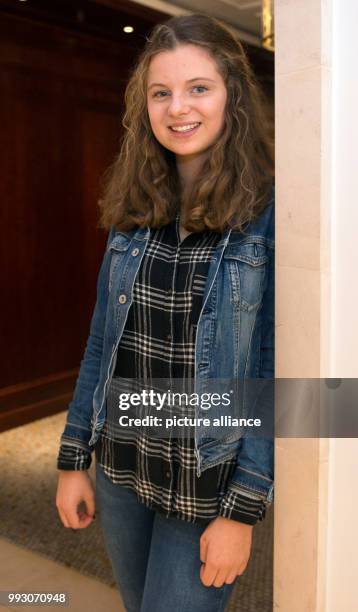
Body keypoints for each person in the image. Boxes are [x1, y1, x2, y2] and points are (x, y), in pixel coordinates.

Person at [56, 13, 274, 612]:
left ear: (232, 96)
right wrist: (75, 457)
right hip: (124, 468)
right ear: (144, 105)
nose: (179, 107)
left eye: (198, 88)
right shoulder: (135, 204)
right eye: (161, 92)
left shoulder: (267, 215)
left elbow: (269, 369)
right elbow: (103, 343)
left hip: (207, 479)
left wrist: (243, 508)